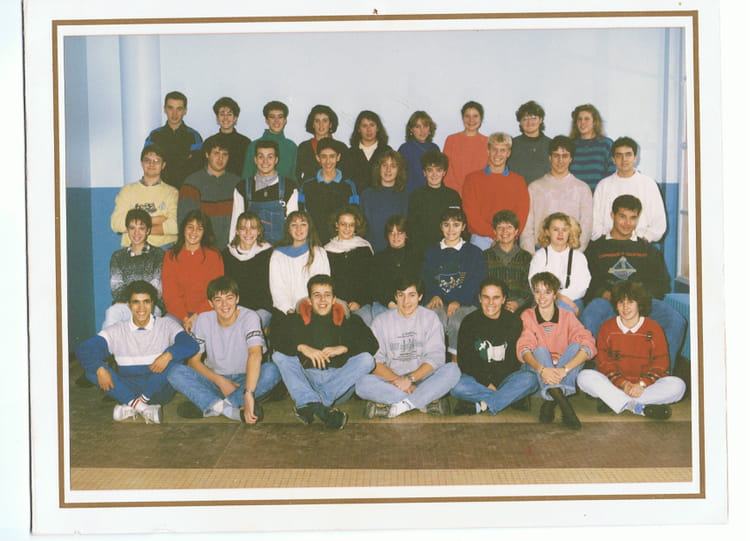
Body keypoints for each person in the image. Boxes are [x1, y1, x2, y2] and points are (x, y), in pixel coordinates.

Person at [582, 195, 686, 372]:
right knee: (591, 316)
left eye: (633, 217)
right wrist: (607, 294)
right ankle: (593, 372)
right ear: (612, 215)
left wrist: (638, 299)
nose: (627, 223)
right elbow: (589, 282)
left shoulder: (648, 250)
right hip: (608, 301)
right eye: (622, 216)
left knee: (676, 320)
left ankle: (660, 372)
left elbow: (661, 284)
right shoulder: (595, 249)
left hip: (641, 302)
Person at [75, 280, 199, 424]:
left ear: (153, 304)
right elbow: (84, 349)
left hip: (159, 391)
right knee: (92, 371)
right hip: (129, 389)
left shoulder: (166, 324)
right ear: (128, 305)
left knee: (175, 358)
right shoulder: (117, 330)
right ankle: (142, 408)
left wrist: (168, 354)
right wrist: (99, 368)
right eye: (136, 302)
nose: (141, 307)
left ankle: (133, 406)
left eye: (146, 302)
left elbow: (191, 344)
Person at [167, 276, 281, 423]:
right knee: (174, 371)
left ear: (237, 299)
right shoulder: (203, 319)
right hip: (214, 379)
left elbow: (255, 354)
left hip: (245, 380)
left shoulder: (250, 317)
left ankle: (212, 405)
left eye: (229, 298)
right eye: (218, 300)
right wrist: (221, 381)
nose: (224, 305)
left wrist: (248, 393)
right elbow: (193, 361)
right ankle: (231, 409)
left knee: (272, 370)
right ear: (210, 303)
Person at [272, 274, 378, 429]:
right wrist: (301, 347)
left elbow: (372, 344)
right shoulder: (296, 320)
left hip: (339, 383)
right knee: (279, 356)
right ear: (309, 300)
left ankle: (312, 404)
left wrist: (345, 348)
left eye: (327, 295)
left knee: (367, 360)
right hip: (308, 380)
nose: (322, 300)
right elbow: (275, 339)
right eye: (317, 295)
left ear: (334, 299)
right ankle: (321, 409)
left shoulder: (350, 320)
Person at [577, 281, 686, 419]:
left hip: (644, 387)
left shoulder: (654, 328)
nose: (625, 307)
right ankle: (637, 406)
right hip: (616, 383)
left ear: (639, 304)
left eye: (630, 302)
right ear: (616, 305)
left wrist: (641, 384)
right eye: (621, 302)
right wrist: (623, 384)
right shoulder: (607, 328)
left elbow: (660, 365)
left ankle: (617, 401)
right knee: (584, 377)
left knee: (678, 386)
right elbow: (604, 363)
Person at [356, 276, 461, 418]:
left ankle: (402, 405)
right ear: (395, 297)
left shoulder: (430, 318)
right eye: (401, 295)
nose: (406, 302)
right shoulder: (380, 322)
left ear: (420, 297)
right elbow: (375, 363)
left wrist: (410, 379)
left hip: (422, 378)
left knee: (453, 370)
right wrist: (401, 382)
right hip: (392, 380)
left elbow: (436, 358)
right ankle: (423, 400)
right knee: (362, 384)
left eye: (411, 295)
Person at [517, 272, 596, 430]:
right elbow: (524, 348)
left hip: (563, 371)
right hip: (538, 371)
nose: (541, 297)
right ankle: (565, 407)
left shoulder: (567, 316)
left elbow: (587, 342)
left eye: (547, 292)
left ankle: (552, 399)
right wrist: (543, 369)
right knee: (540, 350)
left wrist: (563, 370)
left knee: (577, 346)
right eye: (537, 291)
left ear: (555, 295)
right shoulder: (527, 315)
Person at [451, 278, 538, 415]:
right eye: (486, 297)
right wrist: (486, 383)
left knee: (531, 379)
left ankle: (482, 405)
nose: (490, 303)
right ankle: (508, 397)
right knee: (456, 386)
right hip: (478, 379)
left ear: (504, 299)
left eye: (496, 297)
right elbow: (466, 361)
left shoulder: (514, 321)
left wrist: (495, 384)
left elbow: (513, 361)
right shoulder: (469, 322)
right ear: (480, 299)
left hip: (504, 378)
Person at [421, 207, 487, 362]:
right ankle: (433, 362)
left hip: (466, 302)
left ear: (463, 227)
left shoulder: (474, 252)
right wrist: (434, 295)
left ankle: (455, 363)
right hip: (439, 301)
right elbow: (425, 277)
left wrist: (458, 300)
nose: (451, 230)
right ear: (440, 226)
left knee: (458, 321)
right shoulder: (431, 252)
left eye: (456, 225)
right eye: (446, 225)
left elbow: (477, 281)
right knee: (434, 318)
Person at [520, 135, 593, 253]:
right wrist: (530, 255)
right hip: (540, 251)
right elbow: (527, 227)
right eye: (556, 155)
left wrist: (575, 254)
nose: (560, 161)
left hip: (571, 251)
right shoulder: (535, 187)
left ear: (571, 158)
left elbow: (586, 226)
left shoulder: (582, 189)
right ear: (550, 157)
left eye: (565, 156)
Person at [591, 136, 667, 243]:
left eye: (628, 154)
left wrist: (644, 239)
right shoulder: (603, 185)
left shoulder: (648, 184)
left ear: (635, 158)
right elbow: (595, 222)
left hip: (639, 243)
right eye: (619, 155)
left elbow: (659, 223)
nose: (624, 160)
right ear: (613, 159)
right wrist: (607, 240)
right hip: (608, 243)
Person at [462, 132, 530, 250]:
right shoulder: (472, 179)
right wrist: (495, 235)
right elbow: (471, 216)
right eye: (494, 149)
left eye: (502, 150)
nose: (498, 154)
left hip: (508, 238)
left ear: (508, 153)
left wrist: (505, 235)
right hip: (481, 238)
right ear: (488, 151)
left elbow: (521, 215)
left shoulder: (519, 181)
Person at [162, 210, 224, 333]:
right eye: (190, 227)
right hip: (178, 314)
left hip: (206, 312)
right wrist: (185, 318)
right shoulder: (171, 255)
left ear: (204, 232)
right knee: (164, 328)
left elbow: (215, 292)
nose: (194, 232)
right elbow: (170, 293)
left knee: (203, 331)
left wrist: (195, 317)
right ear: (183, 229)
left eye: (199, 229)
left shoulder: (213, 256)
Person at [228, 139, 299, 245]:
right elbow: (236, 222)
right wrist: (233, 247)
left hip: (280, 249)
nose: (265, 161)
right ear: (255, 160)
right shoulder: (242, 187)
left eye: (270, 157)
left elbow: (293, 225)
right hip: (251, 249)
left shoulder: (290, 187)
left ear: (276, 160)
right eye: (261, 157)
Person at [104, 209, 165, 329]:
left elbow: (156, 289)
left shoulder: (158, 255)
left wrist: (137, 300)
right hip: (126, 305)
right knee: (112, 312)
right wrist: (132, 302)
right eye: (132, 228)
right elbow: (116, 288)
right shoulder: (118, 256)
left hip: (150, 305)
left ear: (148, 230)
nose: (136, 233)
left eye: (141, 228)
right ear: (127, 230)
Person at [110, 145, 178, 248]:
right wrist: (158, 220)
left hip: (163, 248)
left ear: (163, 165)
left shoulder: (172, 192)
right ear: (141, 163)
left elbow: (175, 226)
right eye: (147, 160)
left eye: (157, 161)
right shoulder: (127, 191)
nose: (151, 164)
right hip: (133, 249)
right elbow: (116, 224)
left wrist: (135, 228)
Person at [178, 136, 240, 246]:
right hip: (202, 247)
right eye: (216, 153)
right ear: (207, 155)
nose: (220, 158)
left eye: (225, 154)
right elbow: (185, 223)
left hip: (232, 247)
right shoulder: (192, 183)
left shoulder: (238, 183)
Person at [268, 211, 331, 315]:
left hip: (314, 309)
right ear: (288, 229)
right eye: (294, 225)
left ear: (309, 228)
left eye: (303, 224)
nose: (298, 229)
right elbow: (277, 289)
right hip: (286, 312)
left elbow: (323, 286)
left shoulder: (319, 253)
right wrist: (288, 310)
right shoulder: (278, 255)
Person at [528, 213, 591, 315]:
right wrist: (558, 297)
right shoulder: (540, 256)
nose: (560, 234)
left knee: (563, 309)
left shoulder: (578, 257)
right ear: (547, 232)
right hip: (543, 300)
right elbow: (534, 284)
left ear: (569, 232)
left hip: (573, 301)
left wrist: (564, 300)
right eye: (556, 229)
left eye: (564, 230)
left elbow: (581, 287)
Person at [298, 138, 359, 242]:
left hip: (340, 241)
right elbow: (302, 215)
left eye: (332, 156)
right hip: (314, 240)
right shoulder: (307, 185)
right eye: (323, 156)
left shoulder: (349, 186)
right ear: (317, 158)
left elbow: (354, 215)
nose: (328, 161)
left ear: (338, 157)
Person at [221, 211, 274, 330]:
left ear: (259, 231)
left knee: (245, 328)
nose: (248, 233)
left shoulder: (268, 254)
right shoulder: (227, 255)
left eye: (253, 228)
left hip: (261, 308)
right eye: (243, 228)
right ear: (237, 231)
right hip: (233, 309)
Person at [365, 215, 422, 326]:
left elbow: (420, 284)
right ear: (387, 236)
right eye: (392, 233)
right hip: (385, 303)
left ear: (406, 234)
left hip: (411, 303)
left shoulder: (417, 257)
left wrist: (407, 303)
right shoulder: (378, 259)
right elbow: (375, 286)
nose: (396, 237)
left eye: (400, 232)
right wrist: (390, 303)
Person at [407, 149, 462, 260]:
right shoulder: (416, 196)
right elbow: (413, 228)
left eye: (438, 170)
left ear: (444, 172)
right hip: (422, 251)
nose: (434, 174)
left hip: (448, 249)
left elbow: (458, 226)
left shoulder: (453, 196)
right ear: (424, 172)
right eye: (430, 170)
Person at [143, 91, 203, 189]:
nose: (174, 114)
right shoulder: (154, 136)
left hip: (186, 189)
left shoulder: (194, 136)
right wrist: (184, 159)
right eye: (170, 108)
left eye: (179, 109)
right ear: (164, 109)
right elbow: (148, 163)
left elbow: (197, 167)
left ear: (185, 111)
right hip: (160, 189)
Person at [324, 205, 374, 314]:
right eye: (343, 224)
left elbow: (370, 281)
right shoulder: (326, 251)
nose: (347, 228)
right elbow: (326, 283)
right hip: (334, 304)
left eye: (351, 225)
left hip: (361, 305)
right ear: (336, 225)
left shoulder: (364, 248)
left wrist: (359, 302)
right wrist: (337, 302)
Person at [360, 149, 410, 253]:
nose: (388, 170)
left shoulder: (406, 196)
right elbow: (362, 229)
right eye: (384, 165)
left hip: (398, 253)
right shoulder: (366, 195)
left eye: (393, 166)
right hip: (371, 252)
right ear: (378, 168)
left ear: (399, 170)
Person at [483, 210, 533, 314]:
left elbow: (529, 286)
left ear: (516, 231)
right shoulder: (485, 256)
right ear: (494, 232)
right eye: (500, 227)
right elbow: (482, 285)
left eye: (509, 227)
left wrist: (518, 303)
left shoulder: (526, 257)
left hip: (520, 307)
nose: (504, 231)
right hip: (491, 306)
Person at [241, 100, 297, 181]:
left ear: (285, 120)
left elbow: (294, 177)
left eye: (280, 117)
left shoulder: (291, 146)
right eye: (272, 117)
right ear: (266, 120)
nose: (276, 121)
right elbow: (246, 177)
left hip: (286, 189)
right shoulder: (254, 145)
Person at [442, 100, 489, 194]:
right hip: (454, 194)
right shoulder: (451, 140)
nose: (471, 120)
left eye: (475, 116)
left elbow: (488, 171)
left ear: (481, 118)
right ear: (462, 118)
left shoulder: (488, 142)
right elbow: (446, 169)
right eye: (467, 116)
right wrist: (457, 192)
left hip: (479, 193)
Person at [342, 110, 393, 194]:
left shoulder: (386, 151)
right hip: (356, 199)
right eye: (364, 126)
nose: (368, 130)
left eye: (372, 125)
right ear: (358, 129)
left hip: (381, 197)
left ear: (378, 128)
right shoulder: (350, 153)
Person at [568, 103, 616, 191]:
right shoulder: (570, 145)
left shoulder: (606, 144)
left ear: (594, 122)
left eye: (586, 119)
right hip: (574, 196)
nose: (582, 122)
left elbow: (612, 175)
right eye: (579, 119)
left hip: (599, 196)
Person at [296, 104, 348, 184]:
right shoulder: (304, 147)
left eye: (325, 121)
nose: (321, 125)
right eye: (317, 121)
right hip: (310, 190)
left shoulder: (341, 147)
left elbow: (347, 174)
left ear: (330, 124)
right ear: (312, 124)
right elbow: (296, 174)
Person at [507, 100, 551, 184]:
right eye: (525, 119)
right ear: (520, 122)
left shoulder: (551, 145)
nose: (530, 122)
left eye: (534, 118)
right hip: (516, 189)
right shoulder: (511, 144)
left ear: (540, 120)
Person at [206, 96, 251, 177]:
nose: (225, 118)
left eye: (229, 114)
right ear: (217, 118)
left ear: (235, 118)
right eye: (222, 114)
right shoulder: (209, 142)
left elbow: (249, 170)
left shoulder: (245, 142)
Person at [397, 111, 440, 193]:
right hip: (410, 194)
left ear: (430, 129)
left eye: (425, 126)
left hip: (431, 193)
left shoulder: (435, 148)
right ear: (411, 129)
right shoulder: (405, 149)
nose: (422, 130)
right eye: (417, 127)